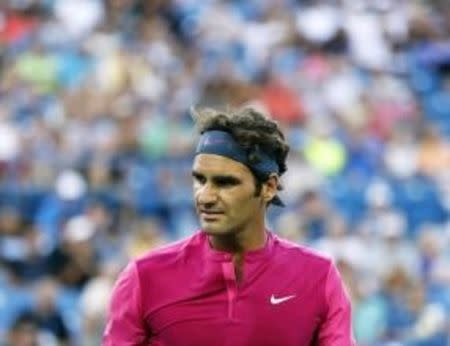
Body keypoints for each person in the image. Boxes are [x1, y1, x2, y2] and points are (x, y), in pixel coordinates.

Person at [102, 107, 356, 345]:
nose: (205, 196)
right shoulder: (144, 277)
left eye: (225, 183)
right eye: (200, 179)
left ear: (268, 187)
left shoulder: (318, 277)